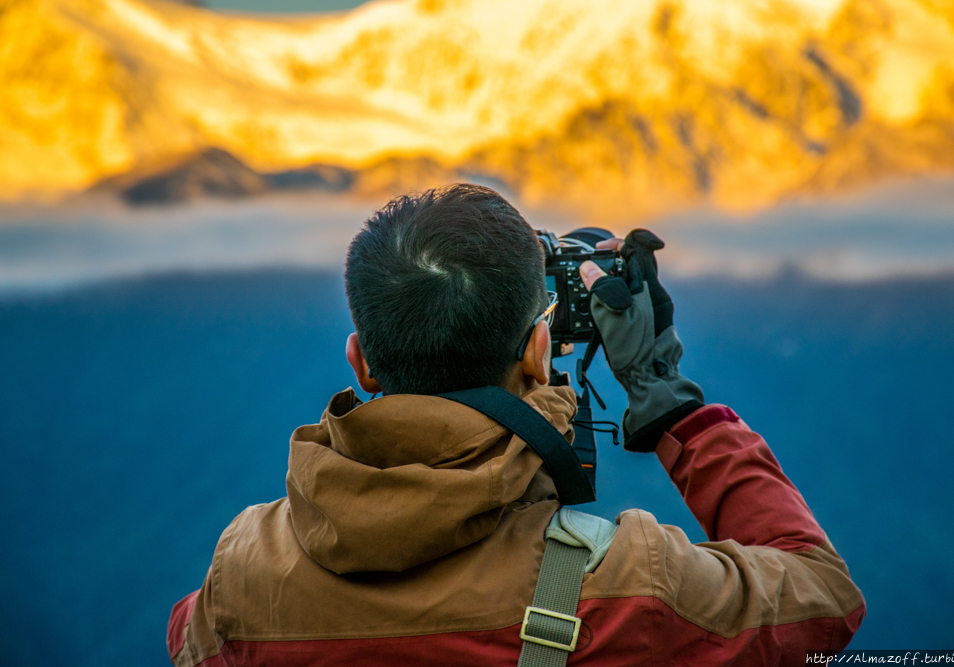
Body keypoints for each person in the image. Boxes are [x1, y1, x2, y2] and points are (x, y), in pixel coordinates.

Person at [166, 184, 864, 667]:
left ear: (362, 362)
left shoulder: (242, 580)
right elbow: (821, 593)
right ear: (538, 350)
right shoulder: (626, 587)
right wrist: (670, 400)